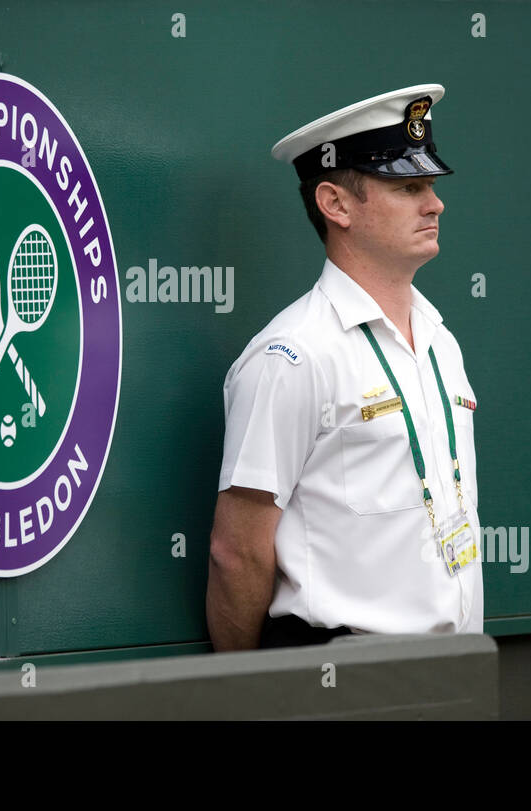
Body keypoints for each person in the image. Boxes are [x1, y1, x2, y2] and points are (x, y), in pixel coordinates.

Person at [206, 84, 482, 651]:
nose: (435, 204)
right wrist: (246, 697)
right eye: (409, 187)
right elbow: (236, 552)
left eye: (430, 186)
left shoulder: (440, 340)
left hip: (455, 675)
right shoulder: (292, 354)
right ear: (336, 205)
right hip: (340, 683)